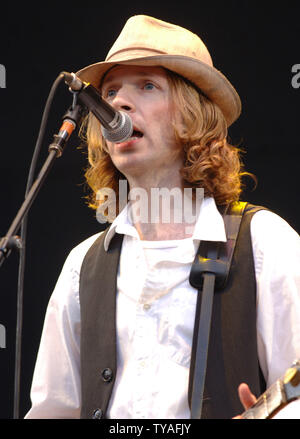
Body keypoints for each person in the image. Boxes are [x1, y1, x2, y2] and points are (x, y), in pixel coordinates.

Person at [25, 15, 300, 419]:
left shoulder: (264, 244)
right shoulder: (82, 265)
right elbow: (54, 411)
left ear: (194, 115)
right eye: (111, 90)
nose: (117, 102)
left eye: (147, 86)